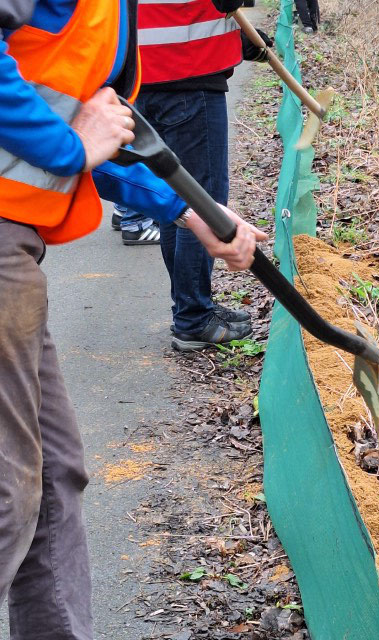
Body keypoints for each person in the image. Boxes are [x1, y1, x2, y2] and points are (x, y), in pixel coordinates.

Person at [0, 1, 267, 638]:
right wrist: (67, 148)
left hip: (17, 247)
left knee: (51, 477)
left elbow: (94, 128)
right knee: (10, 493)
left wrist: (191, 212)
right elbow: (74, 137)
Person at [112, 0, 273, 351]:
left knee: (176, 202)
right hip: (188, 71)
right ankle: (193, 317)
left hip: (141, 75)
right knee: (203, 201)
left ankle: (192, 307)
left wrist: (236, 39)